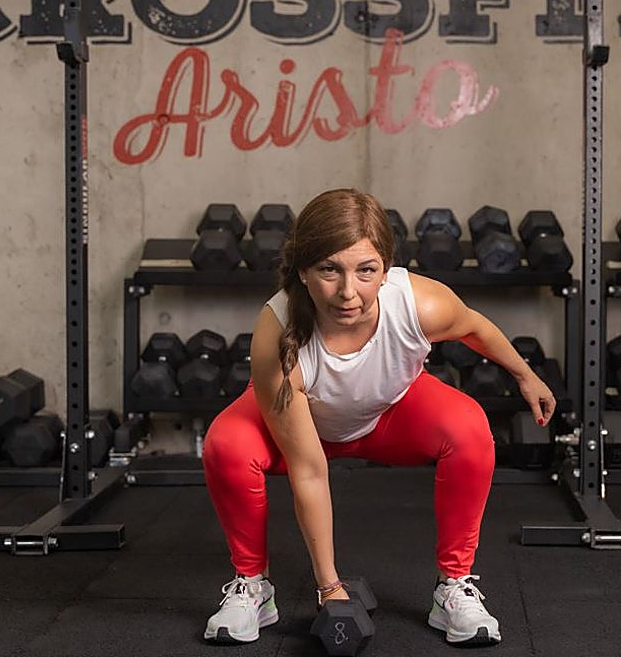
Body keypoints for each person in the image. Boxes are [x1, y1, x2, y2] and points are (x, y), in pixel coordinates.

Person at [200, 188, 557, 647]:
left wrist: (525, 375)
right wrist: (329, 587)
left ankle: (454, 586)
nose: (349, 292)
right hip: (303, 430)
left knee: (469, 427)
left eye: (366, 271)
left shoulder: (419, 304)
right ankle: (254, 587)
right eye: (330, 269)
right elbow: (309, 472)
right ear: (303, 271)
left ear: (384, 270)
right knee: (227, 444)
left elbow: (475, 327)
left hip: (390, 415)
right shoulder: (277, 331)